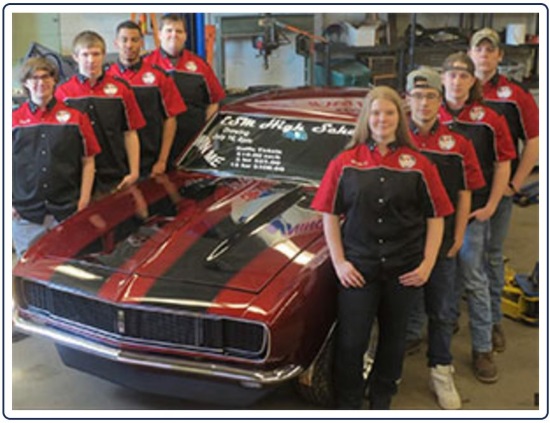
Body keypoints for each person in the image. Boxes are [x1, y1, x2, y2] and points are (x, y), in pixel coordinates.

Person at [311, 86, 453, 410]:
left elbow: (437, 217)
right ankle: (348, 404)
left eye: (389, 113)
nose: (382, 119)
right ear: (366, 118)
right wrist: (339, 262)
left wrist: (427, 264)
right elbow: (328, 212)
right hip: (359, 268)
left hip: (403, 270)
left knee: (393, 340)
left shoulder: (419, 164)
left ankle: (381, 400)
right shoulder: (345, 162)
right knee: (351, 341)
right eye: (376, 112)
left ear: (399, 118)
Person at [405, 67, 485, 409]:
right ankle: (389, 370)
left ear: (441, 100)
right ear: (407, 99)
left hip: (443, 241)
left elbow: (465, 192)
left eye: (431, 96)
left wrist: (460, 235)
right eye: (417, 95)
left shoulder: (458, 144)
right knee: (396, 309)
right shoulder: (393, 139)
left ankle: (441, 370)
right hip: (400, 243)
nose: (424, 103)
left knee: (441, 309)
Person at [439, 52, 516, 383]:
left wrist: (491, 205)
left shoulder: (490, 118)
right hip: (437, 214)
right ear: (443, 79)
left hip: (474, 211)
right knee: (440, 274)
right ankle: (441, 323)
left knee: (474, 275)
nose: (457, 80)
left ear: (473, 82)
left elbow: (503, 164)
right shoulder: (429, 114)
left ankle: (482, 347)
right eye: (451, 74)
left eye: (464, 75)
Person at [468, 27, 539, 353]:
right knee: (459, 256)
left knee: (492, 256)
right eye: (478, 49)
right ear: (470, 54)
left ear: (499, 55)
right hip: (461, 193)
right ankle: (458, 312)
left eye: (490, 50)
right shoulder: (457, 91)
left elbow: (536, 142)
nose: (484, 55)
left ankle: (494, 320)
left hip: (499, 190)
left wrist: (514, 183)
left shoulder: (516, 95)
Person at [12, 57, 101, 257]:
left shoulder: (77, 118)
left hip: (67, 211)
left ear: (54, 80)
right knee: (32, 276)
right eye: (33, 78)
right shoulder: (12, 120)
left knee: (69, 270)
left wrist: (84, 201)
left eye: (45, 76)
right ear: (25, 83)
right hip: (26, 216)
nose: (40, 82)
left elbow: (88, 161)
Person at [56, 30, 146, 195]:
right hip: (76, 177)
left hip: (114, 174)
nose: (91, 60)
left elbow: (130, 133)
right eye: (85, 54)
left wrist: (134, 172)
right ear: (75, 57)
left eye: (96, 54)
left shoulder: (121, 89)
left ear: (104, 55)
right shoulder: (63, 93)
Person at [107, 20, 187, 178]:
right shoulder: (106, 78)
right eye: (124, 40)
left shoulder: (159, 77)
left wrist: (162, 160)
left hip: (150, 162)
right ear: (116, 43)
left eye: (134, 40)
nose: (129, 45)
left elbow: (171, 119)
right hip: (115, 164)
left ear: (141, 43)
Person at [144, 13, 226, 167]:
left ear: (186, 36)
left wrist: (206, 134)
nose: (174, 35)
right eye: (169, 30)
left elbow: (214, 101)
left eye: (179, 31)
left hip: (191, 144)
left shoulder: (200, 65)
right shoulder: (146, 65)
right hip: (154, 146)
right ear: (159, 34)